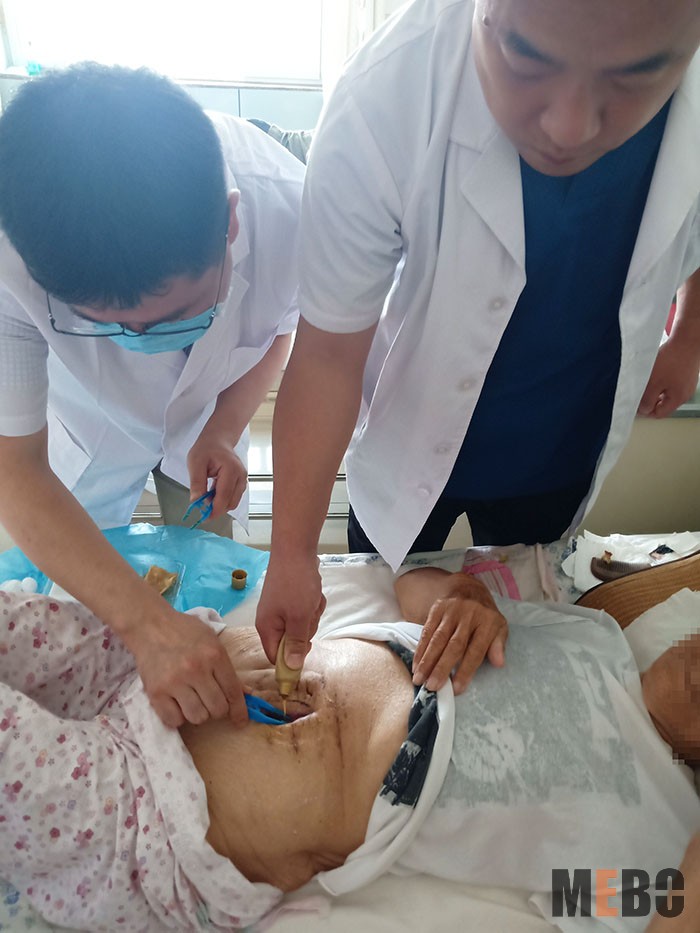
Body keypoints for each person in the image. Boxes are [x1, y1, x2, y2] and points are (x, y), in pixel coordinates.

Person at [254, 0, 700, 674]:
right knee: (387, 635)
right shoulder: (384, 99)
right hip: (411, 439)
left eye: (636, 73)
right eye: (526, 56)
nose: (569, 127)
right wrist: (291, 553)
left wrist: (688, 339)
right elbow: (325, 356)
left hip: (561, 440)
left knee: (516, 637)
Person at [1, 564, 699, 932]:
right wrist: (464, 593)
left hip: (157, 818)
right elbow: (412, 585)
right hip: (159, 659)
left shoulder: (664, 849)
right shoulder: (593, 632)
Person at [0, 63, 305, 728]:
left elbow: (281, 329)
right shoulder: (11, 251)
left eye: (176, 315)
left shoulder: (293, 211)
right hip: (86, 428)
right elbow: (15, 467)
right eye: (107, 325)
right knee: (77, 617)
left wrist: (223, 426)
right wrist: (143, 624)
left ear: (230, 223)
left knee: (218, 594)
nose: (142, 343)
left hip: (208, 421)